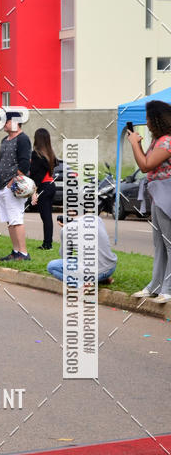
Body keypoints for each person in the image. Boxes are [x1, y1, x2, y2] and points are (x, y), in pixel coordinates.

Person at [127, 100, 171, 303]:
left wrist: (135, 144)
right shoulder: (158, 141)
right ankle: (155, 285)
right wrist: (138, 145)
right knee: (159, 244)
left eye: (148, 119)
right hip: (158, 195)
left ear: (157, 119)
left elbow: (145, 166)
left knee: (168, 244)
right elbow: (146, 163)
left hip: (166, 195)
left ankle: (168, 289)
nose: (146, 122)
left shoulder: (167, 142)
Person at [0, 111, 32, 261]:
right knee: (10, 220)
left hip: (13, 186)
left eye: (6, 121)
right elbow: (1, 161)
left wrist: (13, 182)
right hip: (2, 185)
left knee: (16, 219)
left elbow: (24, 163)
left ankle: (23, 253)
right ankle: (16, 251)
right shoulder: (4, 140)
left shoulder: (23, 139)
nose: (3, 124)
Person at [47, 215, 117, 285]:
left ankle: (81, 284)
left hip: (94, 274)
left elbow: (65, 256)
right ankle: (104, 279)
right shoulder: (98, 219)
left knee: (51, 266)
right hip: (111, 267)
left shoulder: (66, 229)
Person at [29, 128, 57, 250]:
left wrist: (34, 193)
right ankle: (48, 243)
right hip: (51, 186)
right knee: (47, 217)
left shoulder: (36, 154)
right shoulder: (51, 153)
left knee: (45, 217)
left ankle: (47, 244)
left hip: (44, 187)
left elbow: (35, 175)